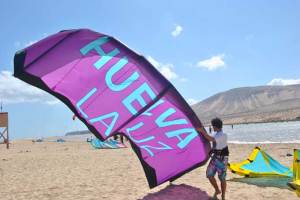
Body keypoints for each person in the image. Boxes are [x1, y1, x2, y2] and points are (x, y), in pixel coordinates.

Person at [197, 118, 229, 200]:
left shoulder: (223, 134)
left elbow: (211, 139)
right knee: (209, 174)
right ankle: (217, 190)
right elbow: (211, 139)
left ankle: (223, 197)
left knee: (222, 178)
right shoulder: (216, 133)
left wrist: (202, 131)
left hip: (222, 159)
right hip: (215, 158)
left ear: (215, 126)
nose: (212, 127)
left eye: (212, 125)